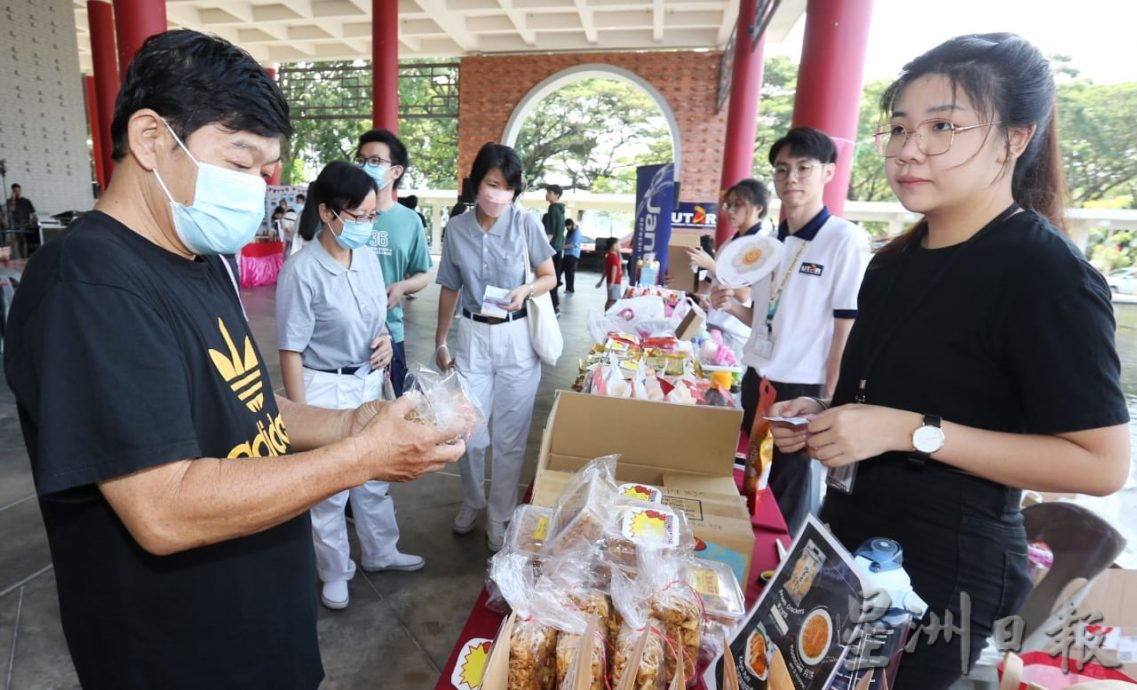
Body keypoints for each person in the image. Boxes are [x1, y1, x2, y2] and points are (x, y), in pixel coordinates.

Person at [2, 30, 464, 689]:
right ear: (153, 139)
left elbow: (242, 403)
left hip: (259, 628)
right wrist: (362, 460)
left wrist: (357, 423)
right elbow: (163, 506)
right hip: (178, 656)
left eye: (266, 170)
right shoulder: (89, 285)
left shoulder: (197, 258)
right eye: (241, 163)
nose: (256, 187)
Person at [769, 34, 1130, 689]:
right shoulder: (892, 262)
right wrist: (827, 416)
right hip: (845, 539)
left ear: (1013, 139)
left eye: (942, 127)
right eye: (900, 127)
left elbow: (1101, 464)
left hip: (944, 572)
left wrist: (910, 431)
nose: (910, 148)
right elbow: (886, 398)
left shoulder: (1042, 273)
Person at [276, 162, 426, 612]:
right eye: (357, 216)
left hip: (366, 379)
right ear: (327, 212)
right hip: (323, 386)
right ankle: (335, 572)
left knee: (375, 478)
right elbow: (290, 350)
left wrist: (382, 340)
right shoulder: (301, 271)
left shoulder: (365, 259)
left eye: (371, 216)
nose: (366, 225)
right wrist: (303, 420)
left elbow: (376, 315)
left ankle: (381, 552)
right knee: (329, 488)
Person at [712, 128, 869, 535]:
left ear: (829, 173)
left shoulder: (843, 238)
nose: (791, 178)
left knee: (787, 496)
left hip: (802, 390)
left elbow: (846, 327)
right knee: (750, 481)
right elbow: (767, 319)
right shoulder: (770, 244)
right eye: (782, 169)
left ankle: (776, 576)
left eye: (804, 168)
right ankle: (745, 560)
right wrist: (733, 307)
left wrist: (832, 400)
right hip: (756, 378)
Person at [435, 142, 557, 552]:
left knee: (511, 435)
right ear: (477, 183)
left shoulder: (526, 223)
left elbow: (549, 276)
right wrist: (440, 339)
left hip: (516, 336)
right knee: (469, 428)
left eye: (506, 187)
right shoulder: (456, 228)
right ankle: (473, 499)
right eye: (491, 184)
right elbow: (450, 287)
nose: (497, 194)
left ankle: (500, 516)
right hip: (473, 336)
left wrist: (528, 288)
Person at [356, 129, 432, 396]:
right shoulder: (342, 214)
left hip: (391, 331)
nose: (366, 167)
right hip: (344, 330)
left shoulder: (409, 221)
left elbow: (423, 274)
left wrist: (401, 287)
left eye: (375, 161)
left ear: (396, 172)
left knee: (390, 409)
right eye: (361, 159)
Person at [688, 178, 770, 283]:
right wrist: (680, 279)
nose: (731, 211)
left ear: (758, 208)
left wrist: (710, 264)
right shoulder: (729, 243)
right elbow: (706, 286)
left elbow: (746, 293)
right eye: (729, 205)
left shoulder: (764, 242)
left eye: (738, 204)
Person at [543, 183, 566, 313]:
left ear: (556, 195)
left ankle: (552, 306)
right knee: (554, 277)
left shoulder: (552, 209)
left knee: (547, 278)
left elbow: (550, 233)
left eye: (549, 192)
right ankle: (555, 305)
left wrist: (542, 250)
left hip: (551, 248)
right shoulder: (561, 210)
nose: (547, 195)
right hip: (559, 248)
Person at [8, 183, 38, 255]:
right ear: (12, 191)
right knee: (19, 243)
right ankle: (22, 257)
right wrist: (13, 200)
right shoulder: (10, 201)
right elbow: (11, 209)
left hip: (27, 225)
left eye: (18, 191)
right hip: (16, 226)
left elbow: (33, 213)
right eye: (15, 191)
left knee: (27, 243)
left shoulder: (26, 201)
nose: (17, 192)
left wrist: (34, 221)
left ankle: (27, 257)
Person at [597, 237, 623, 310]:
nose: (620, 246)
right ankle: (608, 315)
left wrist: (601, 281)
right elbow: (614, 270)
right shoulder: (614, 257)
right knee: (613, 300)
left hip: (611, 281)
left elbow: (606, 270)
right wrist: (613, 282)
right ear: (614, 246)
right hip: (615, 283)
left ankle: (606, 314)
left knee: (610, 299)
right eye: (618, 244)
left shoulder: (609, 255)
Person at [563, 217, 581, 293]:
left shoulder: (576, 232)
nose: (567, 228)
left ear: (571, 224)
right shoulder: (570, 232)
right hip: (567, 254)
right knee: (567, 272)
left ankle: (570, 288)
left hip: (572, 254)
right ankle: (568, 288)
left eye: (568, 226)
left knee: (570, 272)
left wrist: (561, 246)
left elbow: (572, 245)